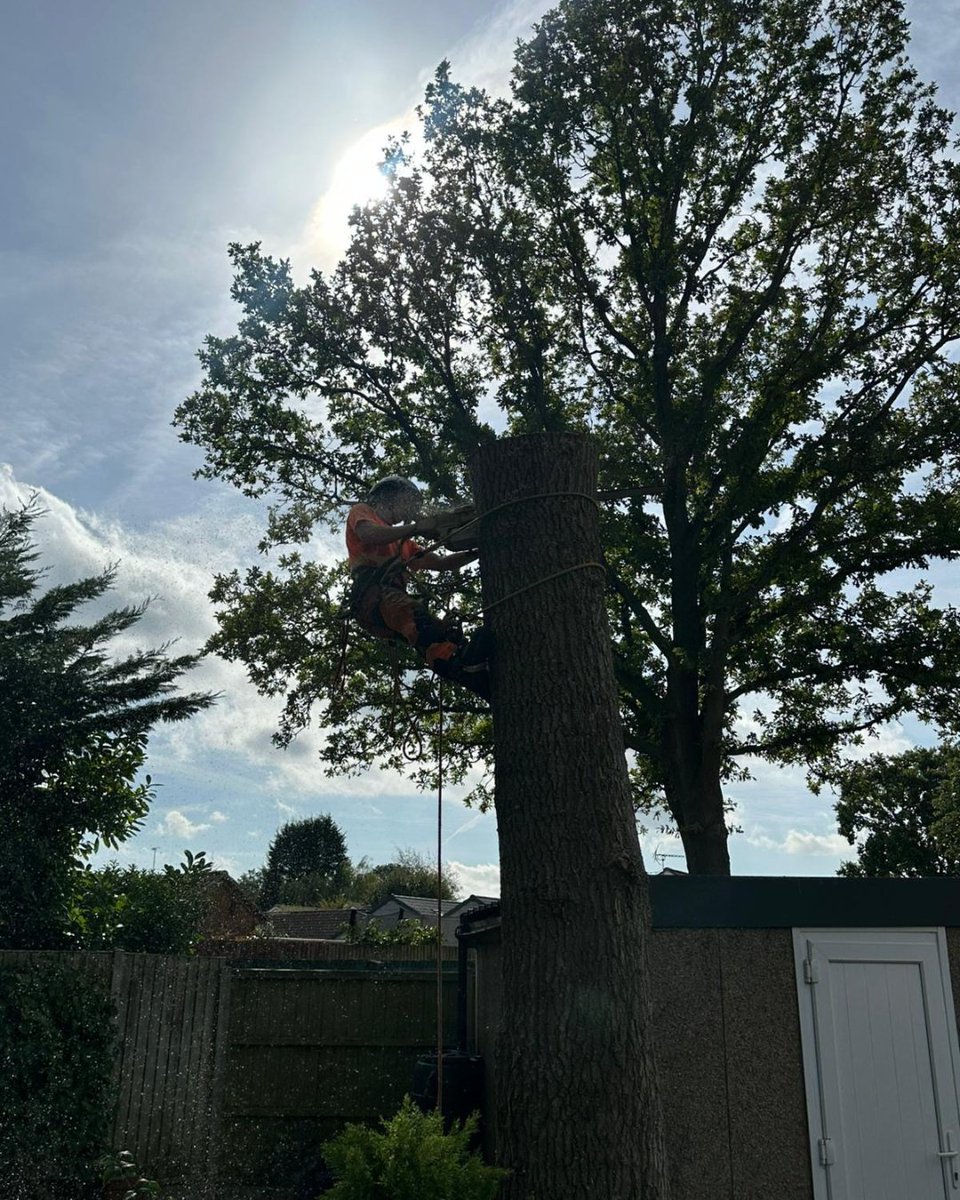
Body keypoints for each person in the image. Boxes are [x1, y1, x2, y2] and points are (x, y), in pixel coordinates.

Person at [345, 475, 490, 698]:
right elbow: (370, 535)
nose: (406, 510)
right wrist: (415, 528)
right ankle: (464, 665)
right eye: (404, 502)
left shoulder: (406, 544)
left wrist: (479, 550)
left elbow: (441, 563)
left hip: (391, 601)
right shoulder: (363, 512)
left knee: (439, 633)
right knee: (416, 617)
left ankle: (471, 672)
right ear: (388, 496)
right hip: (374, 596)